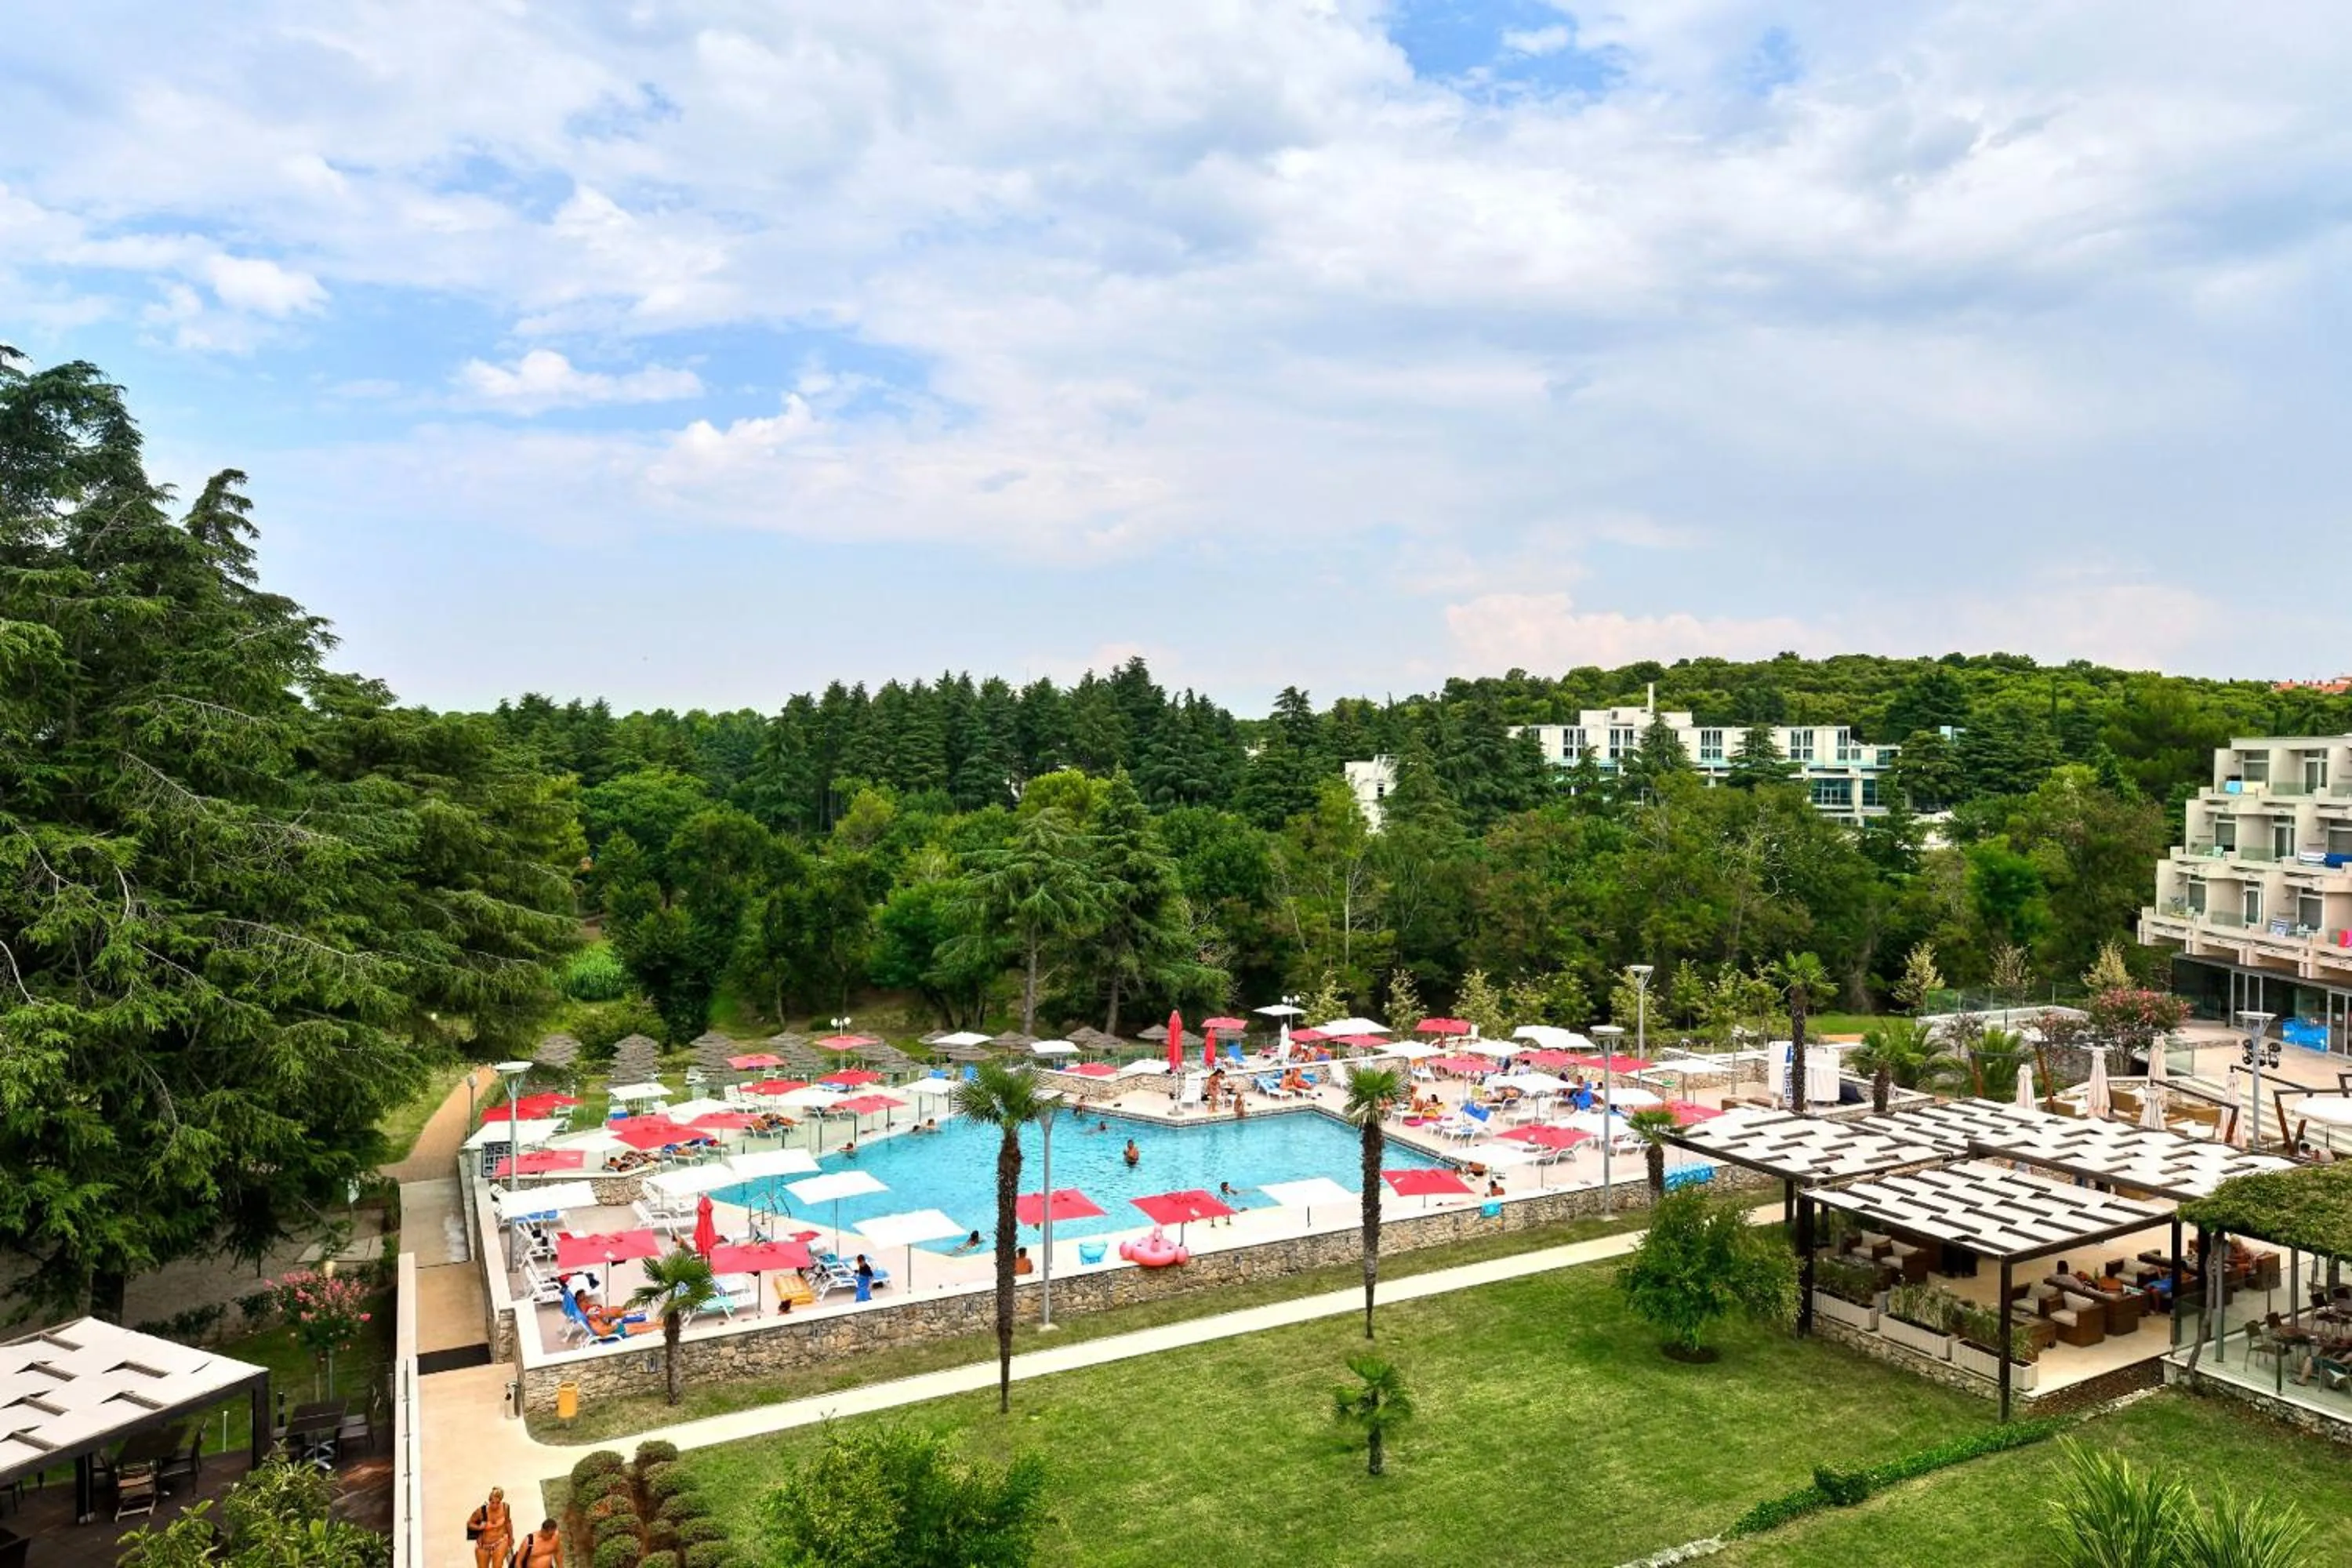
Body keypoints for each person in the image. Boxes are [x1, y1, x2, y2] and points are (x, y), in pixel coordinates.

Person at [467, 1487, 513, 1568]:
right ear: (489, 1501)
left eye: (498, 1503)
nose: (495, 1505)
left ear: (501, 1501)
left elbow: (508, 1522)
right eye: (492, 1502)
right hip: (483, 1545)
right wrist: (480, 1527)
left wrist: (511, 1537)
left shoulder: (505, 1508)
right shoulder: (481, 1511)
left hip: (500, 1541)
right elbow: (470, 1523)